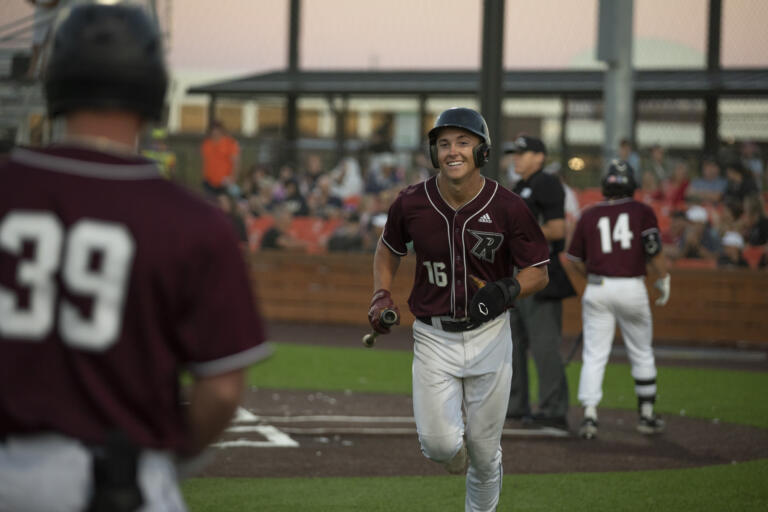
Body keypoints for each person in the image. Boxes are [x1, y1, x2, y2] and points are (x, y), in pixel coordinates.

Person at [0, 5, 268, 511]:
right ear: (152, 87)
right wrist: (173, 457)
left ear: (56, 77)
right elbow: (223, 391)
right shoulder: (193, 220)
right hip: (114, 480)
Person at [370, 107, 549, 512]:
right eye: (444, 143)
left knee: (486, 459)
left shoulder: (508, 206)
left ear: (481, 151)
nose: (453, 151)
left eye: (463, 142)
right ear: (434, 152)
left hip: (489, 337)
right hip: (433, 335)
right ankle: (460, 458)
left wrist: (507, 290)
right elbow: (387, 249)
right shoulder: (411, 202)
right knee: (438, 446)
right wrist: (381, 293)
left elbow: (539, 271)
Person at [564, 160, 670, 439]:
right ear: (631, 184)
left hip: (598, 287)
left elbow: (573, 259)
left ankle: (589, 416)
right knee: (641, 351)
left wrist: (592, 278)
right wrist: (664, 278)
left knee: (595, 355)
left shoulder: (588, 214)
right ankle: (646, 415)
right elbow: (654, 250)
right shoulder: (642, 211)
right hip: (631, 287)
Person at [506, 135, 572, 430]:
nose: (515, 158)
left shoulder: (546, 182)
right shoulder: (520, 187)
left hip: (540, 272)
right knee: (512, 343)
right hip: (516, 272)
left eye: (522, 153)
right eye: (515, 154)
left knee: (544, 345)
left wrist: (521, 236)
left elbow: (558, 229)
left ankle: (554, 410)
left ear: (540, 157)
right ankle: (516, 406)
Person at [201, 120, 240, 197]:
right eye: (212, 130)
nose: (215, 133)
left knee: (224, 203)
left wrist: (233, 177)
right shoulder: (206, 144)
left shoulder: (230, 143)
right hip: (209, 181)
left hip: (225, 181)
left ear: (222, 131)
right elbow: (205, 162)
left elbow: (236, 162)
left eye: (217, 130)